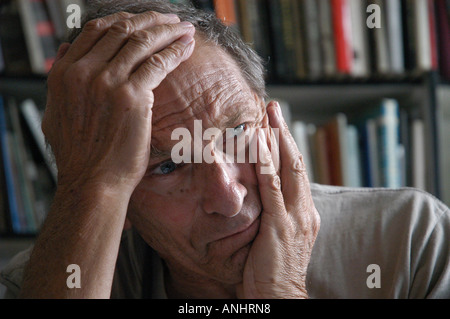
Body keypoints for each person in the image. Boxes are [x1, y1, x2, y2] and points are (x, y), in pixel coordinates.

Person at [1, 0, 449, 299]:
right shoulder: (42, 281)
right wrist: (89, 187)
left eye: (237, 131)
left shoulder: (412, 242)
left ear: (272, 116)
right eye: (168, 166)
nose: (228, 196)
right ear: (120, 200)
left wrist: (283, 291)